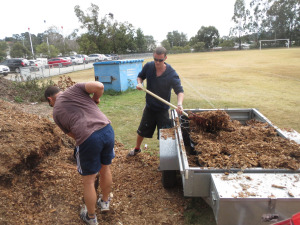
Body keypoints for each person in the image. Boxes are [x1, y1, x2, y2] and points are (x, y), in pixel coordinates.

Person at [44, 81, 115, 225]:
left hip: (88, 137)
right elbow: (100, 86)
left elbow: (73, 135)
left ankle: (91, 217)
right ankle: (105, 202)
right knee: (105, 169)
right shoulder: (74, 89)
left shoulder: (56, 113)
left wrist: (89, 143)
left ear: (50, 99)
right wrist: (96, 99)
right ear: (60, 91)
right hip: (107, 129)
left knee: (88, 181)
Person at [128, 46, 184, 156]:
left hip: (163, 110)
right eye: (155, 59)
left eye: (160, 60)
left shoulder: (171, 73)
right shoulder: (149, 66)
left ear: (165, 58)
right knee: (141, 131)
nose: (157, 62)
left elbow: (180, 91)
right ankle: (137, 149)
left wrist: (179, 104)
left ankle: (166, 159)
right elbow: (140, 76)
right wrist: (140, 83)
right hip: (149, 107)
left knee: (165, 136)